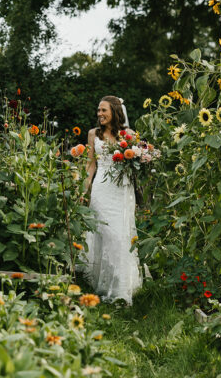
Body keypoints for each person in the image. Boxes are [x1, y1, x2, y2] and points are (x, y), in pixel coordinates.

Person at [83, 95, 142, 305]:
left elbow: (138, 160)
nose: (99, 114)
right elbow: (91, 164)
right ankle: (102, 283)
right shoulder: (93, 134)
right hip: (101, 189)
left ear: (115, 112)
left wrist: (141, 158)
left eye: (103, 110)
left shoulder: (129, 135)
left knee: (119, 236)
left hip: (122, 191)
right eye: (98, 110)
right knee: (104, 234)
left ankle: (121, 287)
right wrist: (84, 188)